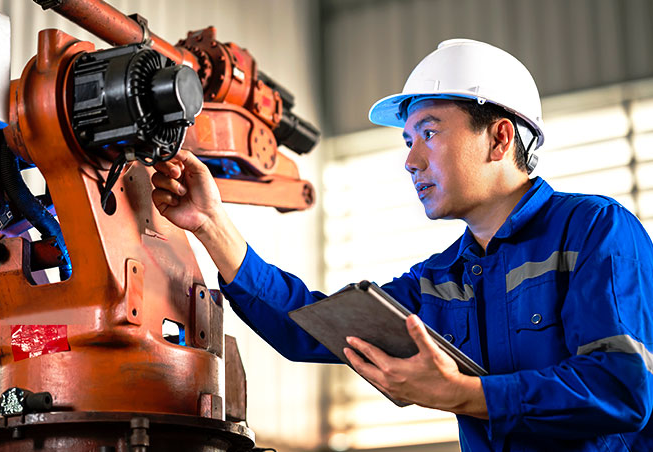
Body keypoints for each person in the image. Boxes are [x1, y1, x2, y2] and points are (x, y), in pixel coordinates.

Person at [151, 39, 653, 451]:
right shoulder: (441, 280)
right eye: (408, 141)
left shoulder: (594, 231)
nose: (410, 161)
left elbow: (620, 387)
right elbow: (311, 326)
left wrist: (465, 395)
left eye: (428, 133)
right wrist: (212, 224)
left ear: (500, 139)